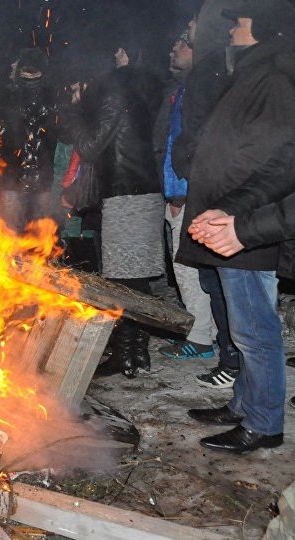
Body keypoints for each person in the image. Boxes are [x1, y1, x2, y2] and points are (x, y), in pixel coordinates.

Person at [181, 1, 295, 453]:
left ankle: (264, 423)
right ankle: (243, 404)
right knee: (241, 323)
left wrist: (235, 214)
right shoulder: (257, 71)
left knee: (255, 329)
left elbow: (274, 160)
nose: (231, 29)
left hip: (249, 227)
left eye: (240, 23)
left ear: (266, 29)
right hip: (235, 217)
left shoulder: (276, 76)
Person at [66, 51, 164, 379]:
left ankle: (127, 354)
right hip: (135, 192)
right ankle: (134, 354)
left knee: (125, 280)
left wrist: (76, 111)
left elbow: (91, 146)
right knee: (131, 279)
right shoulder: (133, 92)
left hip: (129, 194)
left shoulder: (114, 95)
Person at [172, 0, 244, 389]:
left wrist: (185, 164)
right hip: (213, 189)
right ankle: (231, 357)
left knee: (224, 284)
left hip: (217, 192)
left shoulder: (215, 70)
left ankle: (234, 361)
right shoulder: (218, 68)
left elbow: (202, 133)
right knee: (215, 281)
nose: (189, 30)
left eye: (194, 24)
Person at [154, 29, 220, 361]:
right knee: (193, 268)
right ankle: (209, 336)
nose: (173, 49)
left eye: (183, 44)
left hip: (187, 193)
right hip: (186, 191)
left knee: (187, 267)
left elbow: (178, 146)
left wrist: (177, 194)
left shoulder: (195, 89)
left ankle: (201, 340)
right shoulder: (182, 89)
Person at [0, 48, 58, 231]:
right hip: (43, 179)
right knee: (40, 234)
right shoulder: (54, 98)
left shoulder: (7, 97)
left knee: (11, 234)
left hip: (12, 177)